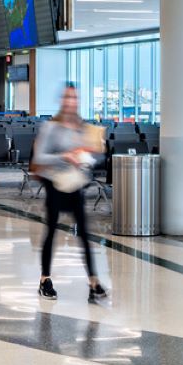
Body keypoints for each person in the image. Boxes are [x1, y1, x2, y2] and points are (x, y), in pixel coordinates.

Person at [33, 85, 108, 302]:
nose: (71, 101)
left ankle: (93, 281)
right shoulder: (51, 127)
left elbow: (95, 157)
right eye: (67, 97)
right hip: (55, 183)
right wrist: (65, 156)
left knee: (84, 233)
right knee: (52, 230)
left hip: (75, 184)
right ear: (61, 100)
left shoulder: (82, 128)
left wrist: (90, 155)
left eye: (74, 97)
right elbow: (40, 158)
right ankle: (44, 279)